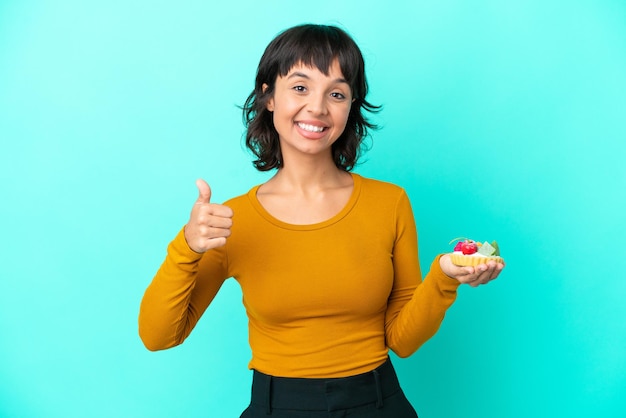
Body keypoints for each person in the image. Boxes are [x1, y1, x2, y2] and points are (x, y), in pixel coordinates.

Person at [138, 24, 504, 417]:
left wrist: (444, 276)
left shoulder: (389, 203)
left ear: (350, 106)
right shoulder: (232, 220)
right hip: (278, 407)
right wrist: (187, 247)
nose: (317, 107)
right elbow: (159, 336)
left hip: (378, 402)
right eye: (300, 87)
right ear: (268, 96)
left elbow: (402, 340)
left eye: (336, 93)